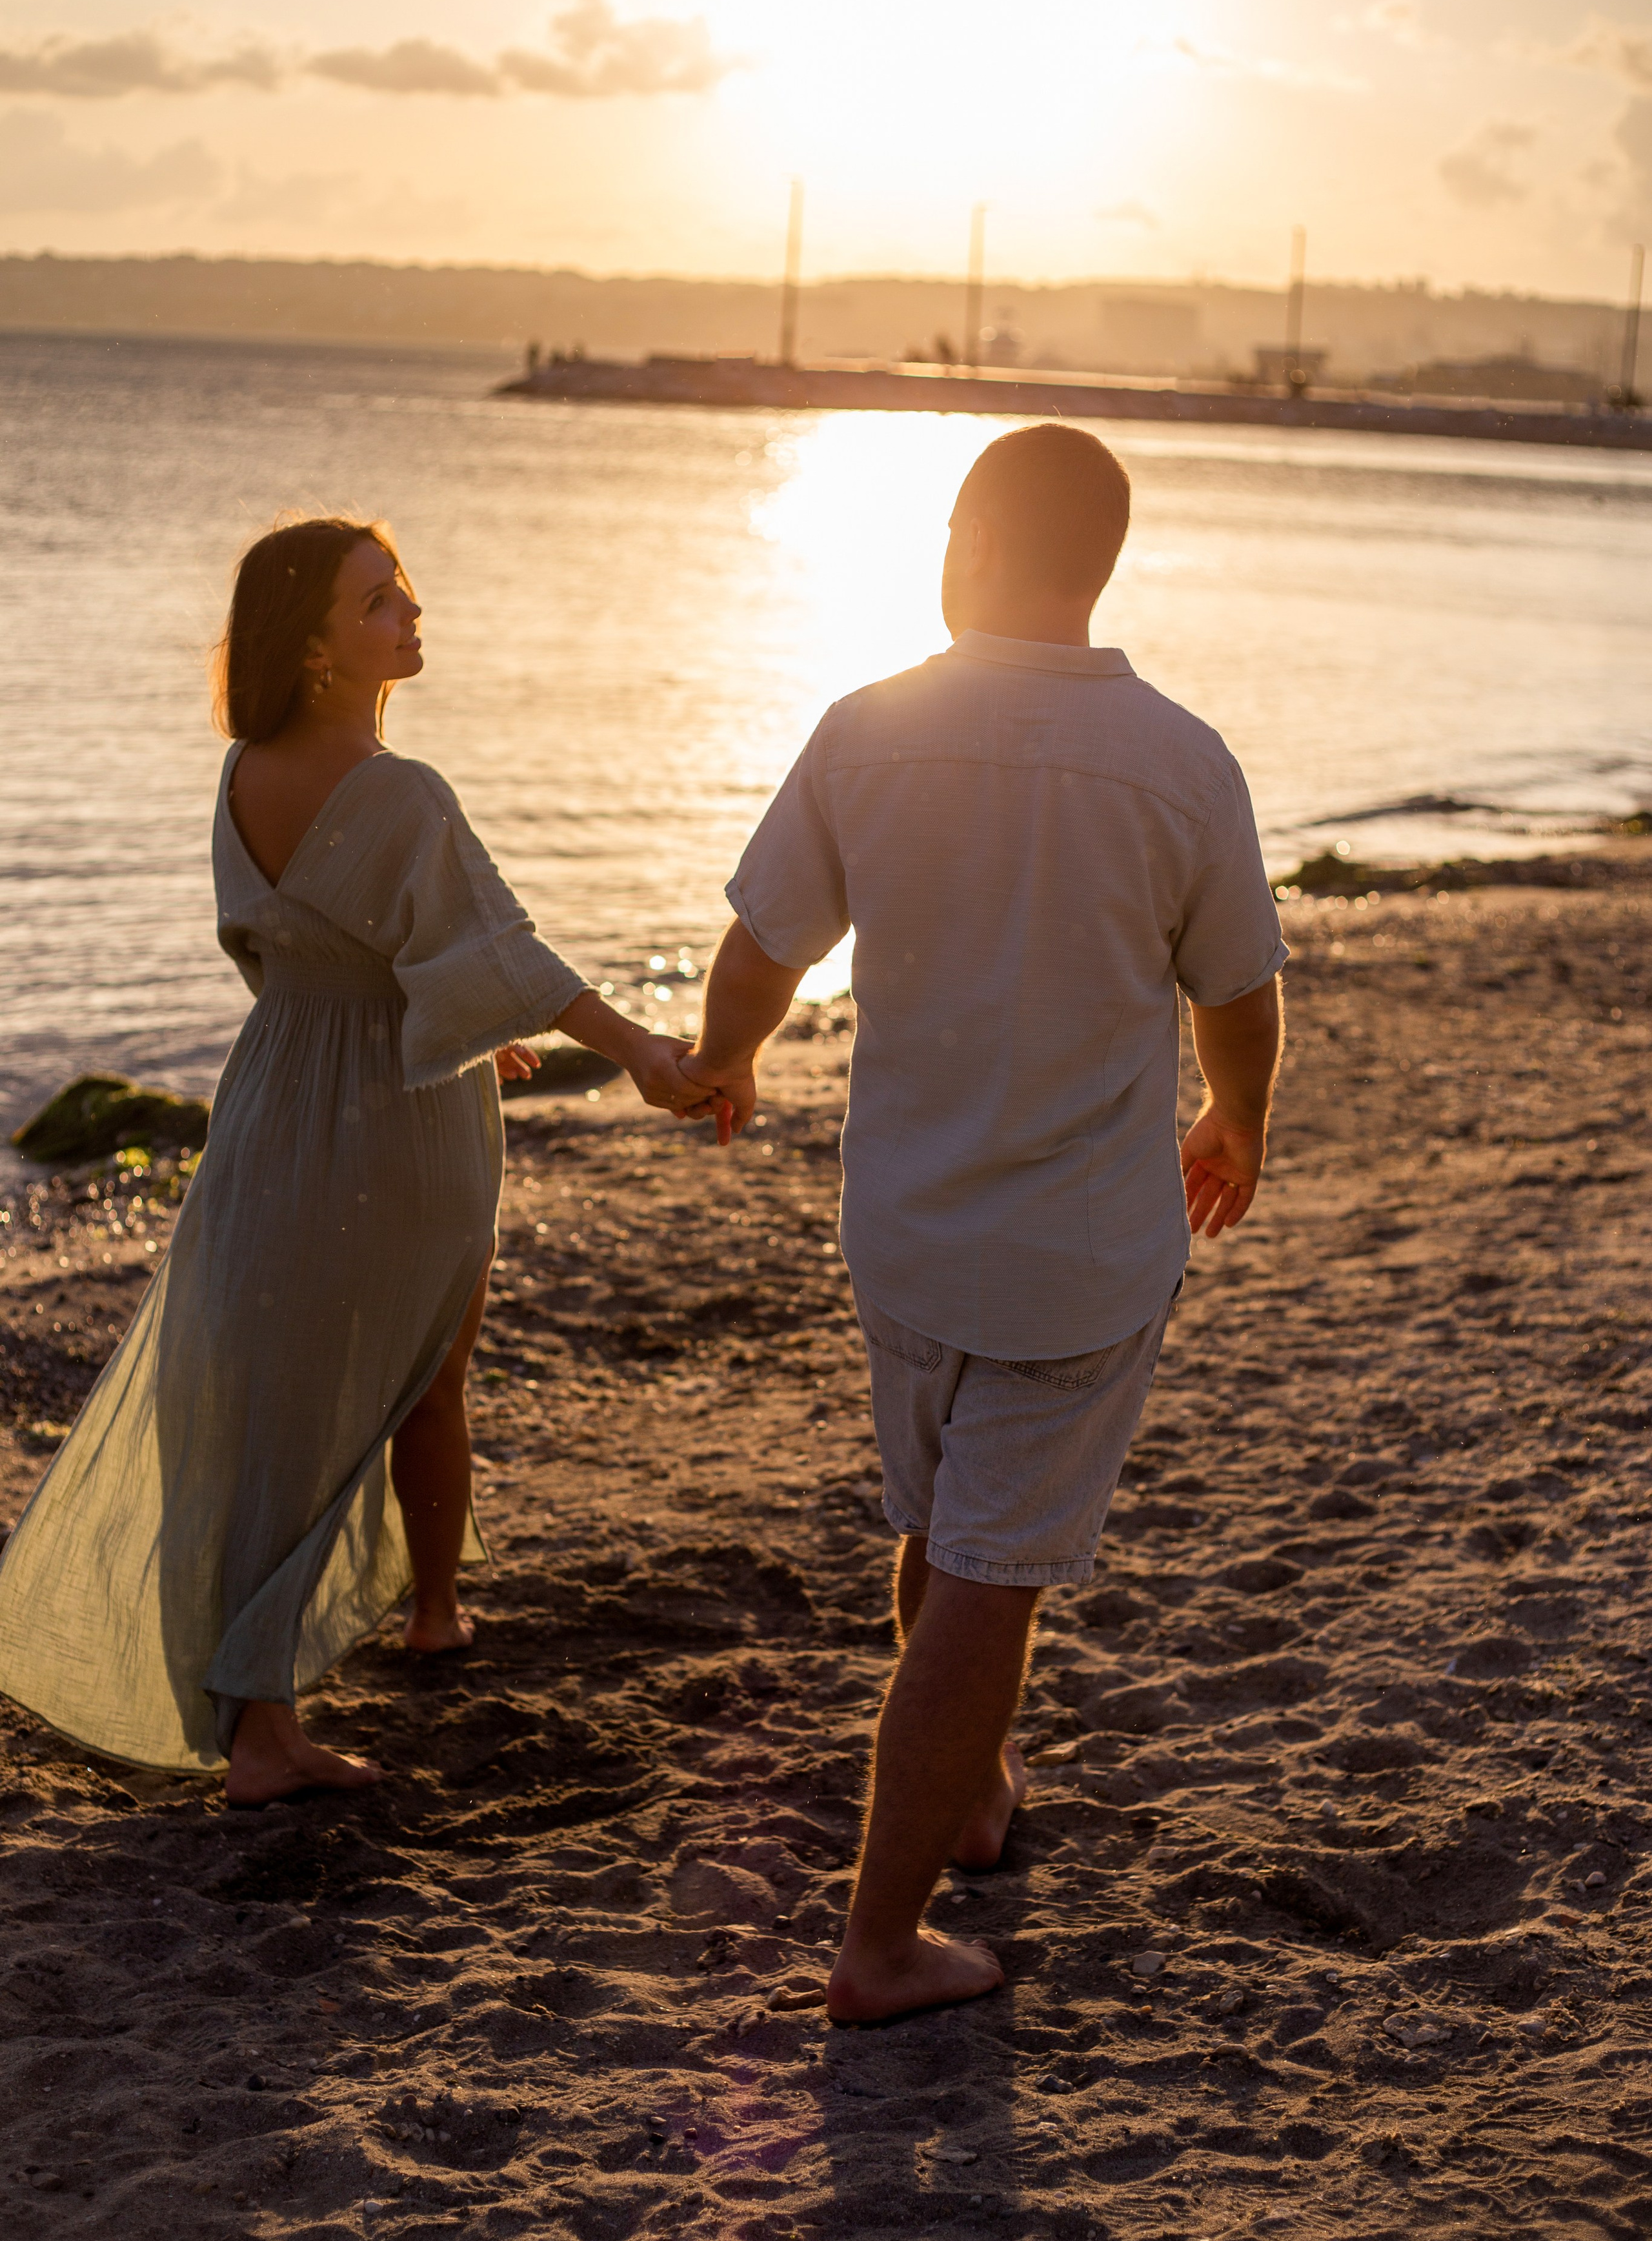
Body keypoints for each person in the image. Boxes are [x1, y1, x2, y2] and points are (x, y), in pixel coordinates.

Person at [680, 424, 1287, 2025]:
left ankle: (969, 1783)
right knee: (988, 1581)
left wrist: (725, 1058)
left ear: (961, 537)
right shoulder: (1179, 760)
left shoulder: (865, 732)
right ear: (1098, 562)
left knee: (944, 1531)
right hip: (1075, 1257)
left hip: (903, 1229)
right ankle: (881, 1945)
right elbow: (1236, 993)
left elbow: (761, 949)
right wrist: (1238, 1121)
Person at [0, 514, 709, 1806]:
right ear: (317, 649)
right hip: (397, 1118)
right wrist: (645, 1051)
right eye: (379, 601)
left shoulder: (239, 774)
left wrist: (436, 1018)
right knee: (424, 1374)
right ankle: (371, 1658)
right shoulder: (399, 791)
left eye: (401, 591)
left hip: (271, 1107)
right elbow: (508, 954)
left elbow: (292, 951)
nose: (412, 612)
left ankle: (286, 1688)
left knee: (259, 1402)